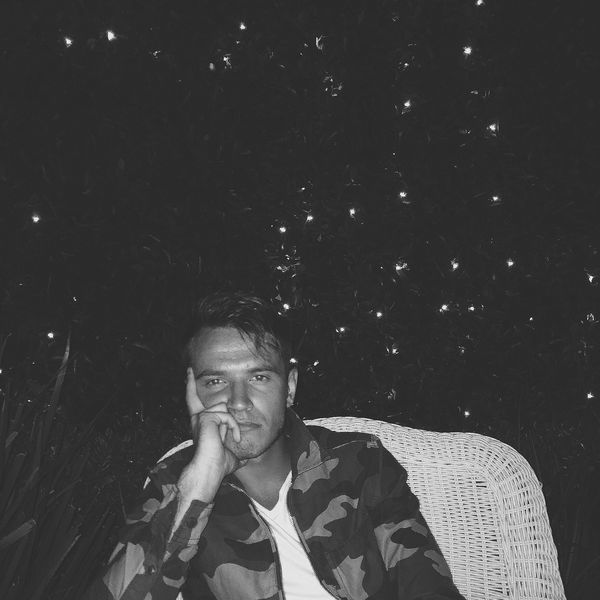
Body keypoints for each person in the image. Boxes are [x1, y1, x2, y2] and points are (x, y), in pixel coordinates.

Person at [84, 291, 465, 600]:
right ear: (193, 392)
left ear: (290, 387)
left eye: (259, 377)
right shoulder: (175, 482)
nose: (238, 402)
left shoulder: (361, 461)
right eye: (215, 382)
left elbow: (428, 585)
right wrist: (199, 486)